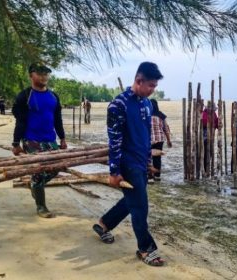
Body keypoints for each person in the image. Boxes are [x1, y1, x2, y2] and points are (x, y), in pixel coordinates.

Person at [92, 62, 165, 266]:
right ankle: (145, 248)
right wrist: (114, 171)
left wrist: (149, 162)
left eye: (155, 86)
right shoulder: (118, 104)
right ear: (138, 80)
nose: (153, 90)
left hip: (141, 162)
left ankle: (104, 224)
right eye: (150, 85)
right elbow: (114, 140)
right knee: (140, 205)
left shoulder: (147, 104)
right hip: (127, 162)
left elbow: (146, 135)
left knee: (131, 200)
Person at [11, 62, 67, 218]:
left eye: (46, 73)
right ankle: (41, 206)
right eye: (40, 73)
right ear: (31, 75)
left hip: (50, 139)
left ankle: (34, 185)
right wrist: (16, 143)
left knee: (57, 167)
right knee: (39, 170)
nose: (44, 76)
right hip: (31, 139)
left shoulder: (53, 96)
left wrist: (62, 138)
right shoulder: (24, 96)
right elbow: (20, 121)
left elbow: (58, 120)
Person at [149, 98, 172, 182]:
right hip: (159, 139)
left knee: (148, 157)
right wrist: (169, 141)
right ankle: (157, 176)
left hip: (148, 139)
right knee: (157, 158)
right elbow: (166, 129)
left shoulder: (146, 115)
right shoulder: (161, 115)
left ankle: (150, 177)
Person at [201, 105, 218, 173]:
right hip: (203, 138)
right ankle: (204, 169)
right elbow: (204, 123)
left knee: (209, 153)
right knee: (204, 154)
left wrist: (218, 124)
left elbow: (216, 123)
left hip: (211, 138)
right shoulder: (203, 113)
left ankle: (207, 169)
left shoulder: (214, 114)